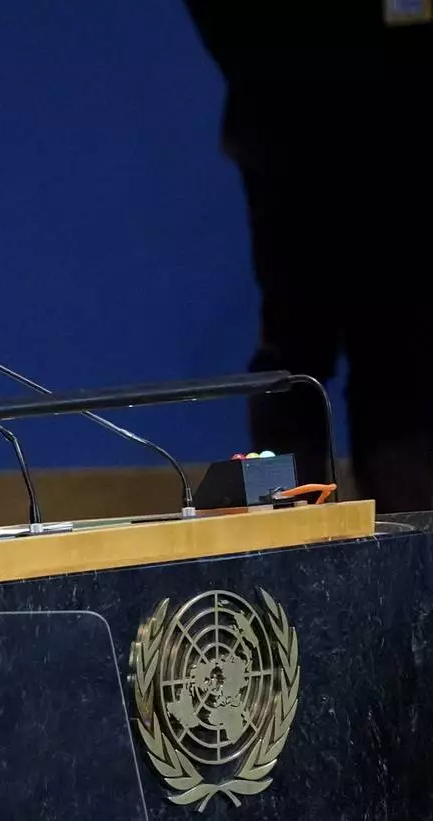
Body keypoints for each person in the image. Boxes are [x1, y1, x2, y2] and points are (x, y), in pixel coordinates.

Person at [183, 1, 433, 513]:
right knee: (292, 359)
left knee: (400, 357)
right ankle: (282, 534)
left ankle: (415, 540)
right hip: (287, 136)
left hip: (406, 141)